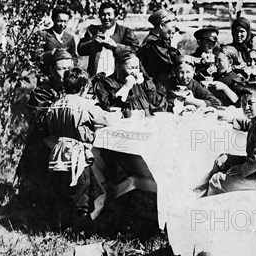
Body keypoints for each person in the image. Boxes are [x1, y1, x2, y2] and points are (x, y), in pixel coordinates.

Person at [42, 68, 110, 230]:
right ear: (84, 87)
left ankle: (60, 225)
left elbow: (47, 125)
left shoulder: (55, 104)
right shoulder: (86, 105)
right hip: (77, 154)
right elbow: (105, 119)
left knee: (62, 188)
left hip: (58, 153)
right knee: (81, 190)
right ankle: (79, 229)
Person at [15, 49, 74, 201]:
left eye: (70, 69)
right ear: (52, 71)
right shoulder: (42, 92)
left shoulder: (77, 90)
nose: (67, 73)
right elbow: (40, 122)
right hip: (44, 143)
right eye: (62, 69)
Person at [92, 50, 167, 117]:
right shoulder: (106, 84)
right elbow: (108, 111)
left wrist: (146, 80)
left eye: (136, 68)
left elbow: (159, 104)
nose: (134, 72)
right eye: (130, 68)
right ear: (118, 67)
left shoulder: (141, 83)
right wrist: (126, 87)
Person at [77, 1, 139, 77]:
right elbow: (80, 50)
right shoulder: (93, 30)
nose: (106, 18)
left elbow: (135, 50)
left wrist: (115, 46)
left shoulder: (125, 32)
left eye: (109, 14)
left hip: (117, 79)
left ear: (116, 16)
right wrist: (93, 42)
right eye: (103, 15)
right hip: (96, 78)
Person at [136, 9, 182, 93]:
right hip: (156, 91)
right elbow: (174, 63)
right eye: (173, 27)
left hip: (162, 87)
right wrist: (174, 46)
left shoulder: (160, 41)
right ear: (162, 25)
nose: (174, 31)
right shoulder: (152, 43)